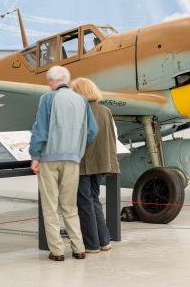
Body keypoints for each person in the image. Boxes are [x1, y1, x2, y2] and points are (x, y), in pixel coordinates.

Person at [29, 66, 98, 262]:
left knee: (50, 206)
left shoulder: (47, 99)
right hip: (73, 159)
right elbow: (92, 131)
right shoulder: (82, 100)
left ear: (51, 82)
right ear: (67, 80)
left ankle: (57, 251)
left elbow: (40, 129)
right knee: (70, 206)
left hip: (49, 159)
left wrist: (35, 155)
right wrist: (77, 146)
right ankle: (79, 248)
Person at [71, 77, 120, 253]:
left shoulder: (78, 111)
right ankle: (104, 240)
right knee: (94, 200)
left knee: (85, 204)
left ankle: (91, 244)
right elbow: (112, 137)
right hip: (101, 162)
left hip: (83, 163)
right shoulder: (105, 110)